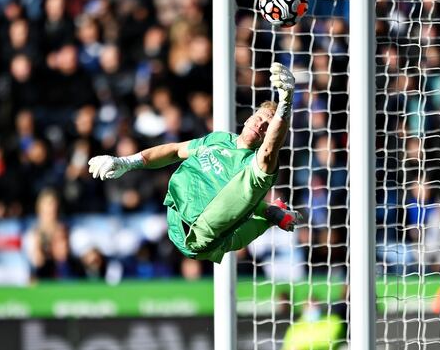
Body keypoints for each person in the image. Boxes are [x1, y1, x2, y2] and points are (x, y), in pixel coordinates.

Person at [88, 63, 302, 263]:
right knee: (243, 210)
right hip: (173, 213)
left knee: (234, 223)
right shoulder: (219, 139)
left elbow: (269, 149)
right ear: (247, 118)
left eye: (268, 125)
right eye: (260, 118)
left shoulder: (259, 164)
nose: (261, 125)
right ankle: (270, 211)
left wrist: (285, 103)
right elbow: (175, 149)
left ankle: (270, 214)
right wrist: (125, 162)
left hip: (199, 237)